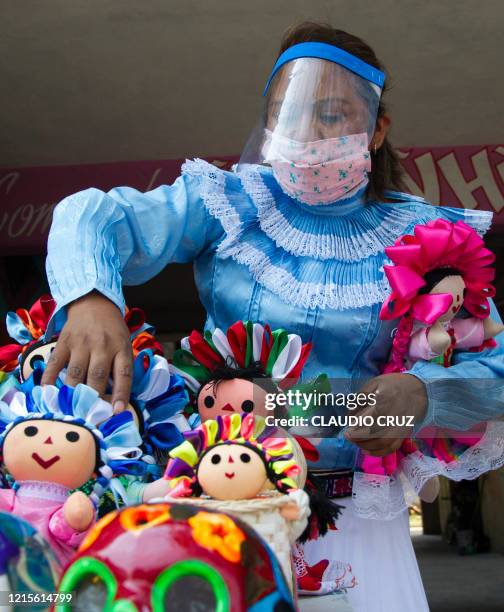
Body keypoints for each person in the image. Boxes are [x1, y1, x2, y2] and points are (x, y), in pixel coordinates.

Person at [42, 22, 504, 611]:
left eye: (332, 116)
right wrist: (90, 296)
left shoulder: (430, 239)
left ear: (378, 127)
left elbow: (495, 371)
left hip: (358, 514)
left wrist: (423, 393)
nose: (307, 133)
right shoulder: (229, 203)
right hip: (221, 504)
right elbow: (96, 215)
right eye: (289, 113)